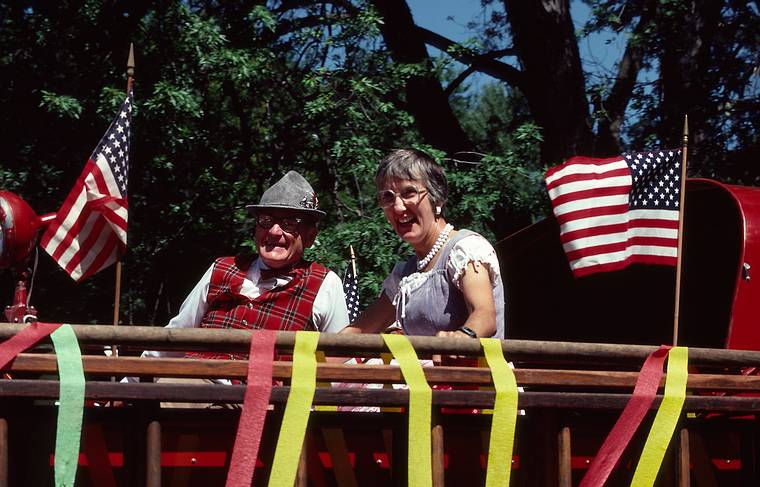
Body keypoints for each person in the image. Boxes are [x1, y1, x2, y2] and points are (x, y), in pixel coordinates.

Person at [142, 170, 350, 363]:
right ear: (256, 229)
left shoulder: (326, 283)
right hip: (197, 387)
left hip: (270, 398)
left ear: (310, 236)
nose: (274, 231)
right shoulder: (222, 268)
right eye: (266, 220)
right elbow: (178, 333)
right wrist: (129, 382)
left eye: (290, 223)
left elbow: (339, 359)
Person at [345, 148, 504, 339]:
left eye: (409, 193)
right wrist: (307, 356)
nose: (398, 207)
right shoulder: (405, 275)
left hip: (473, 369)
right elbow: (358, 331)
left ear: (436, 197)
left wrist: (462, 338)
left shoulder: (466, 250)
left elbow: (485, 315)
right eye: (388, 197)